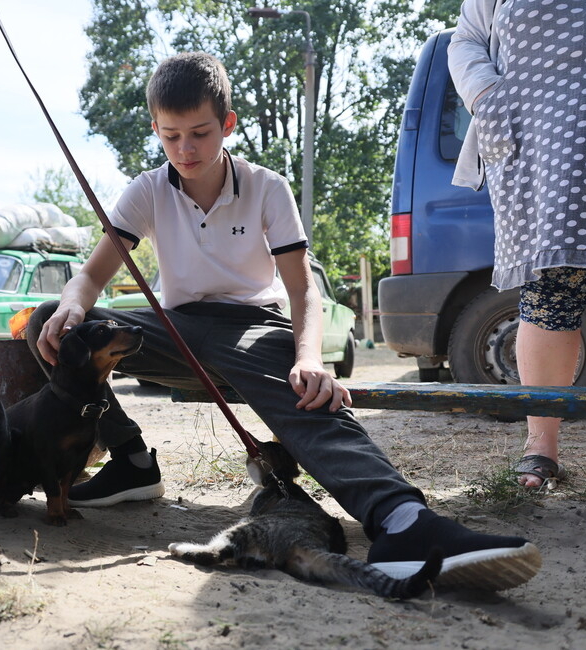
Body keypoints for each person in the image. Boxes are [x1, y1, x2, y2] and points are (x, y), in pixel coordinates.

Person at [28, 51, 543, 591]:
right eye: (171, 135)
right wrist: (72, 304)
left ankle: (401, 520)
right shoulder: (148, 189)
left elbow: (302, 291)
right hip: (174, 331)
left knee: (310, 391)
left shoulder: (267, 187)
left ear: (227, 124)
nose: (185, 149)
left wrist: (309, 358)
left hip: (252, 329)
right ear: (155, 128)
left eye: (200, 133)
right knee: (47, 317)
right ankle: (132, 460)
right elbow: (88, 277)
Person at [449, 0, 586, 489]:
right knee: (547, 289)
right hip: (538, 145)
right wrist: (487, 95)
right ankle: (540, 448)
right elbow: (466, 40)